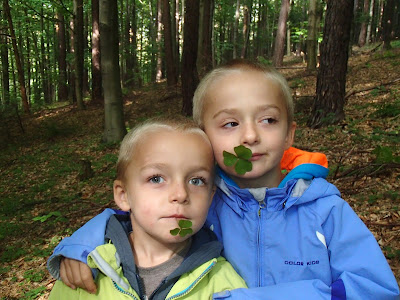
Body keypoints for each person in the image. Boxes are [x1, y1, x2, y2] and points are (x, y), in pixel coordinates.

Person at [48, 60, 400, 299]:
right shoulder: (202, 200)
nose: (249, 137)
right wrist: (79, 248)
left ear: (290, 133)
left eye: (268, 120)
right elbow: (135, 218)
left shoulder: (325, 209)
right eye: (230, 124)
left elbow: (376, 289)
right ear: (204, 138)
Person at [48, 117, 247, 300]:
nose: (180, 194)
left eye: (196, 180)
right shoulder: (82, 274)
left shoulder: (224, 285)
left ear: (211, 195)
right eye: (156, 179)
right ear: (124, 195)